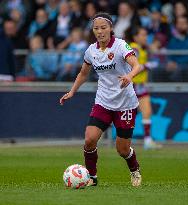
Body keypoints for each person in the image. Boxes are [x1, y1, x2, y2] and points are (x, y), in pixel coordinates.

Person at [59, 12, 142, 187]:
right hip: (103, 102)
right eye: (96, 28)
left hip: (125, 104)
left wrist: (129, 75)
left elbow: (137, 65)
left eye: (103, 28)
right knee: (89, 140)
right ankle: (92, 178)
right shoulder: (91, 50)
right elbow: (83, 73)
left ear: (111, 29)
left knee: (122, 149)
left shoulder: (120, 46)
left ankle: (135, 170)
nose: (100, 31)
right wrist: (72, 91)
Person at [130, 27, 162, 150]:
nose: (145, 37)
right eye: (142, 35)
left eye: (146, 35)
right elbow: (131, 68)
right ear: (136, 37)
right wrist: (146, 66)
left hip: (140, 85)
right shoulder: (133, 48)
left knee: (147, 111)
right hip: (130, 86)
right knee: (120, 114)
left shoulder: (141, 49)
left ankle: (148, 141)